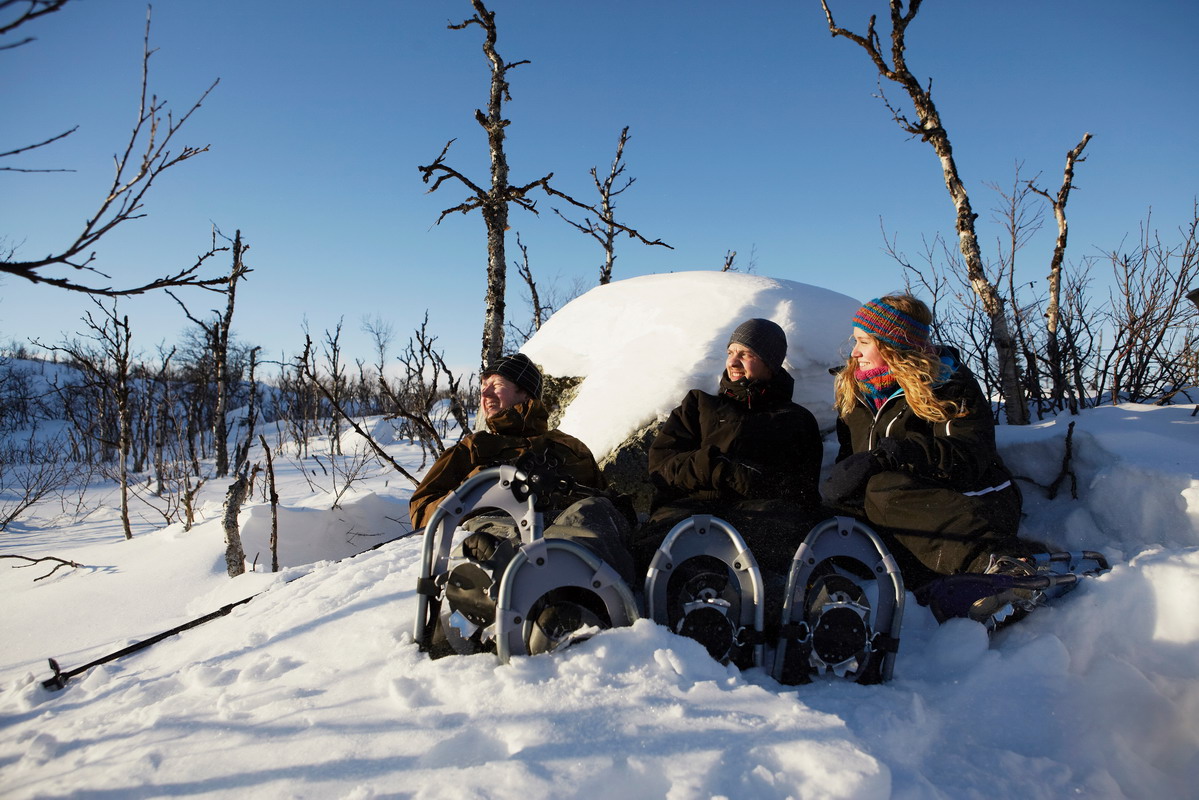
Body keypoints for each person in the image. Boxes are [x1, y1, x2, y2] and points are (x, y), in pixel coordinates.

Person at [821, 294, 1032, 619]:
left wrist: (890, 455)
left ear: (894, 346)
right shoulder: (856, 394)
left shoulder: (948, 385)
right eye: (855, 341)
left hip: (975, 503)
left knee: (883, 488)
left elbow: (967, 458)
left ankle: (998, 565)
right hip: (901, 514)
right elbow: (855, 462)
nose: (855, 352)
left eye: (864, 341)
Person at [409, 352, 635, 654]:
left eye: (497, 385)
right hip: (502, 525)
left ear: (524, 392)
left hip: (569, 525)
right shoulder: (473, 448)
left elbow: (601, 495)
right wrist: (480, 486)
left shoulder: (569, 447)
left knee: (593, 514)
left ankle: (547, 602)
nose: (485, 393)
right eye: (483, 386)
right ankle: (545, 612)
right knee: (499, 545)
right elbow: (423, 509)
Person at [634, 318, 825, 628]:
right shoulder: (698, 405)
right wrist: (713, 467)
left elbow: (802, 492)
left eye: (746, 353)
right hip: (690, 513)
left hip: (759, 520)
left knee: (779, 536)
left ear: (771, 363)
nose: (734, 361)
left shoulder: (795, 421)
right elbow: (661, 467)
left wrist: (748, 478)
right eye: (730, 351)